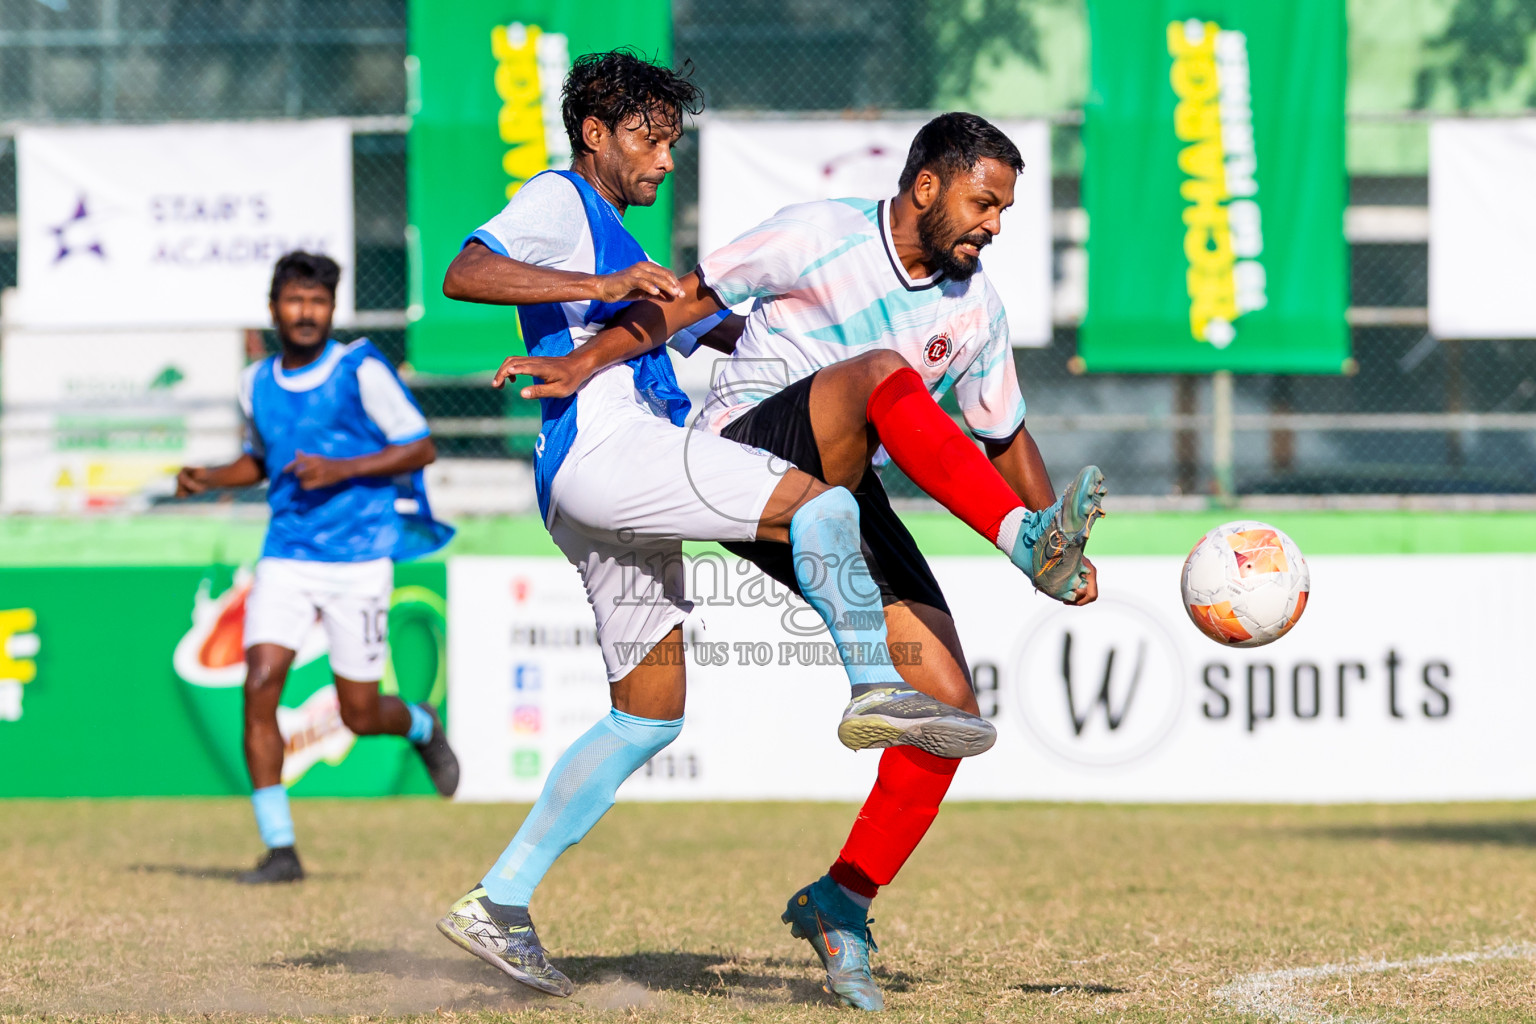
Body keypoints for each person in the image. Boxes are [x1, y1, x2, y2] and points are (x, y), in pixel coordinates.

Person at [432, 52, 1082, 1000]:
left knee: (656, 716)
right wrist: (593, 327)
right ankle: (872, 681)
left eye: (672, 143)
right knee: (838, 465)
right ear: (594, 134)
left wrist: (1057, 535)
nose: (665, 161)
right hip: (619, 448)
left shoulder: (970, 305)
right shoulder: (566, 202)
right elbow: (467, 270)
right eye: (650, 140)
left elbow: (706, 321)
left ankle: (505, 901)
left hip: (624, 478)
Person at [175, 251, 459, 884]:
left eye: (318, 302)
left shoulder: (359, 369)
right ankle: (281, 850)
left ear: (331, 309)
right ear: (273, 308)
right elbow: (262, 461)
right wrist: (211, 477)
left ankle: (420, 723)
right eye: (295, 300)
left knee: (359, 713)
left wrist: (342, 469)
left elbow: (420, 446)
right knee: (259, 684)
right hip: (286, 557)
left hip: (359, 562)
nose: (306, 312)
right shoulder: (255, 382)